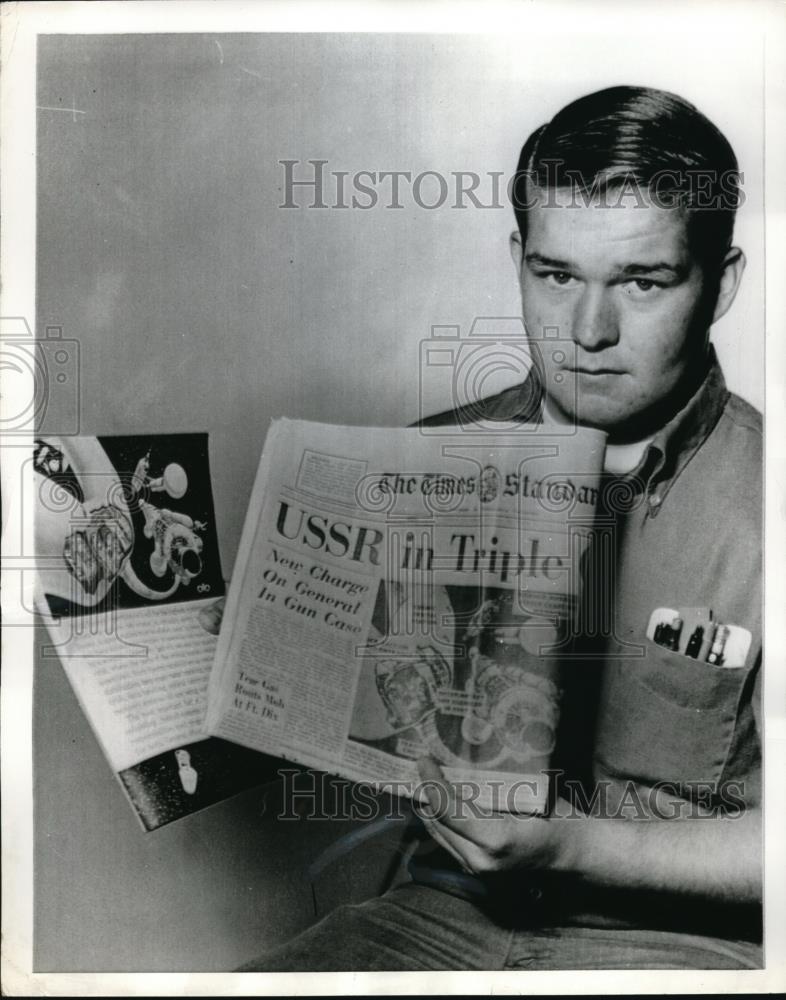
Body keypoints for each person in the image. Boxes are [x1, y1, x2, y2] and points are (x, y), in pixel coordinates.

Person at [232, 86, 764, 970]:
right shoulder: (422, 462)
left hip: (683, 948)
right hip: (435, 912)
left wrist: (572, 846)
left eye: (641, 281)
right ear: (518, 256)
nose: (588, 332)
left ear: (722, 282)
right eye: (556, 276)